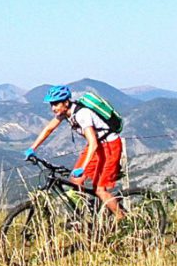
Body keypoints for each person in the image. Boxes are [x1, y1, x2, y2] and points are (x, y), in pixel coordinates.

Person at [24, 85, 127, 220]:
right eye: (51, 104)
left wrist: (83, 168)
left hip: (109, 146)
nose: (53, 108)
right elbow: (49, 129)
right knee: (76, 180)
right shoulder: (65, 113)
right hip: (97, 147)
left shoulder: (82, 114)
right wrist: (32, 148)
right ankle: (85, 216)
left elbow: (93, 143)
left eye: (56, 104)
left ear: (66, 102)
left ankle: (123, 220)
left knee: (100, 190)